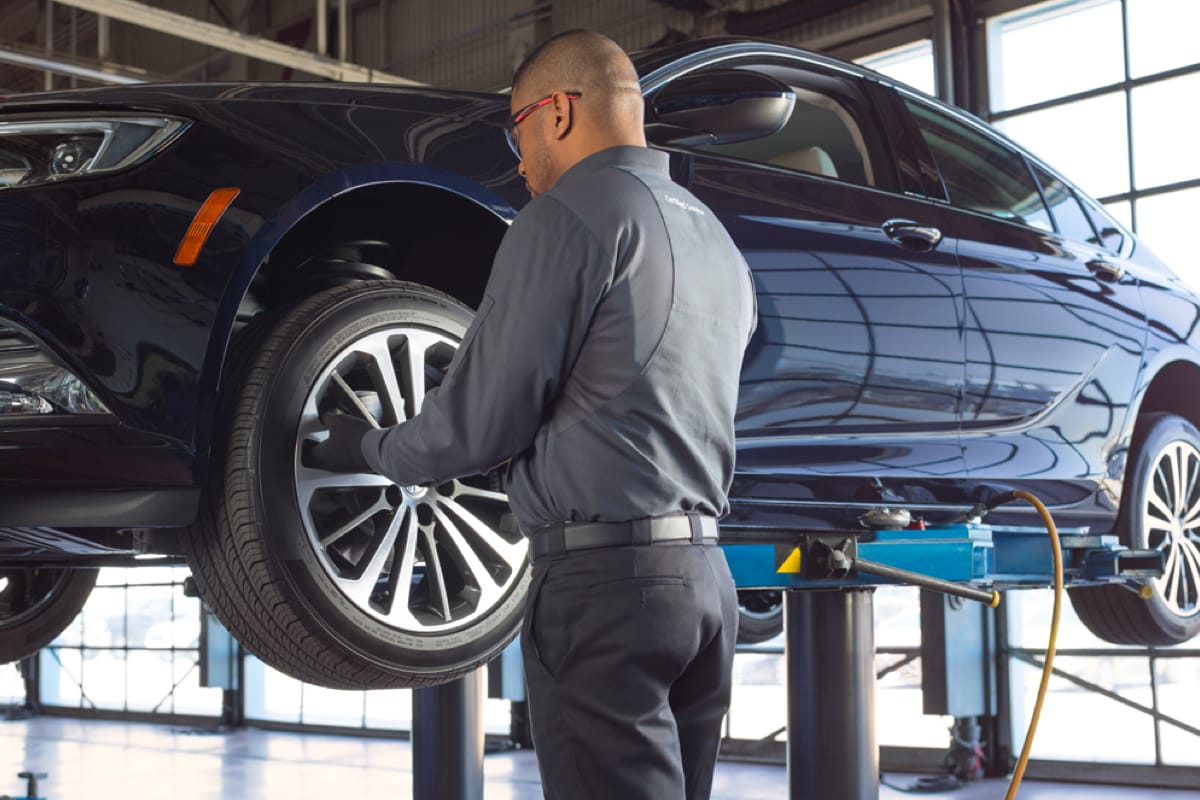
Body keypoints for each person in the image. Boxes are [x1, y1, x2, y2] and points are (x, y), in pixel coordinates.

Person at [312, 29, 757, 800]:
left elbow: (480, 425)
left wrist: (369, 445)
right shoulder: (715, 236)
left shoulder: (570, 217)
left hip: (606, 588)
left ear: (557, 112)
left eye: (515, 130)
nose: (518, 163)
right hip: (707, 581)